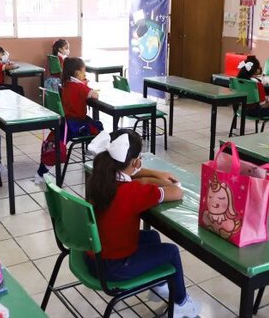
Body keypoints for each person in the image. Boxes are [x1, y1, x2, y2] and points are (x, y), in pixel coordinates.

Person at [85, 129, 201, 317]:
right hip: (113, 269)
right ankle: (181, 303)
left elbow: (133, 177)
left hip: (93, 258)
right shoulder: (132, 193)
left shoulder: (98, 180)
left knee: (152, 236)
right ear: (134, 162)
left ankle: (157, 286)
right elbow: (176, 193)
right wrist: (158, 181)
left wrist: (151, 176)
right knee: (171, 251)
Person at [236, 55, 269, 136]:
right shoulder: (257, 84)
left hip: (241, 109)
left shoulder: (238, 80)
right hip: (255, 111)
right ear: (256, 70)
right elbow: (264, 106)